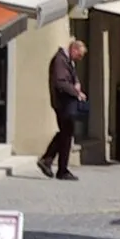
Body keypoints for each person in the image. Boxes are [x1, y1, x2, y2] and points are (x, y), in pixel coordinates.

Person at [40, 36, 88, 180]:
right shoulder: (60, 60)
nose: (79, 59)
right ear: (73, 49)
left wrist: (77, 85)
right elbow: (60, 82)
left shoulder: (67, 61)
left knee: (66, 134)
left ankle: (52, 163)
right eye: (79, 55)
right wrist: (76, 92)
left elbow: (72, 78)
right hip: (63, 104)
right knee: (66, 133)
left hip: (67, 103)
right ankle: (54, 165)